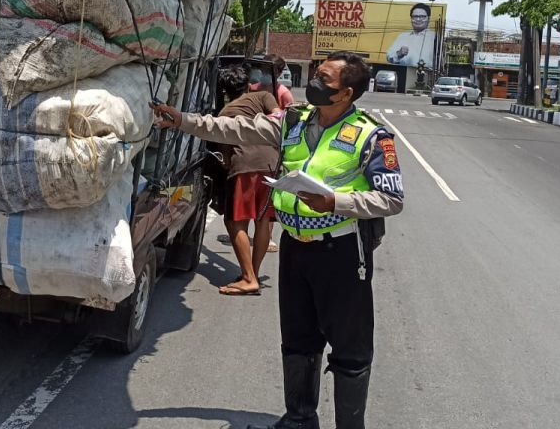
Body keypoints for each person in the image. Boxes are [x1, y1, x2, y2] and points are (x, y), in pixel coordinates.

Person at [153, 51, 403, 429]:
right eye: (315, 74)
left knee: (350, 351)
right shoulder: (295, 120)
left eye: (325, 80)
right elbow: (236, 130)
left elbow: (391, 198)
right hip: (295, 249)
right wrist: (184, 121)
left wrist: (335, 200)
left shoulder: (371, 135)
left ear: (346, 94)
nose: (314, 83)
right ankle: (300, 419)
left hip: (342, 252)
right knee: (298, 340)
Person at [213, 65, 281, 296]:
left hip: (245, 167)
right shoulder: (264, 96)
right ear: (249, 85)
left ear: (224, 91)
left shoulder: (224, 114)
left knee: (235, 222)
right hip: (272, 163)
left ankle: (248, 277)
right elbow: (278, 116)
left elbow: (224, 157)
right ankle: (254, 272)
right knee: (263, 221)